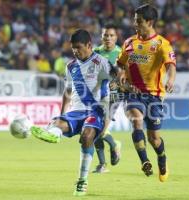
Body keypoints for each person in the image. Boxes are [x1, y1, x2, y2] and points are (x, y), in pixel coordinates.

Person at [30, 29, 115, 196]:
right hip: (76, 111)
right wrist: (62, 115)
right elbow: (67, 92)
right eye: (73, 48)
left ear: (89, 45)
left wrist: (107, 118)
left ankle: (82, 181)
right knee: (57, 123)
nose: (75, 51)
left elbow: (116, 85)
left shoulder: (102, 62)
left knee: (86, 136)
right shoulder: (71, 66)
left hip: (95, 110)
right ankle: (53, 133)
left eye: (78, 47)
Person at [117, 4, 176, 182]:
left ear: (149, 22)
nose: (135, 24)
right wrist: (120, 73)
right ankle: (145, 162)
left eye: (139, 21)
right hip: (133, 92)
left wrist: (171, 79)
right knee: (136, 120)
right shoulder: (129, 43)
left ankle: (162, 157)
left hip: (155, 95)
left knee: (154, 139)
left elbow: (170, 65)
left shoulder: (162, 44)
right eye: (135, 20)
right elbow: (120, 63)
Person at [91, 23, 122, 173]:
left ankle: (114, 145)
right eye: (105, 35)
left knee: (102, 130)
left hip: (114, 96)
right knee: (95, 129)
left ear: (116, 38)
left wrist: (118, 83)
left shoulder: (121, 53)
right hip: (97, 95)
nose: (108, 38)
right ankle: (102, 164)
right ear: (101, 37)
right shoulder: (95, 52)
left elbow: (127, 74)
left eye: (111, 35)